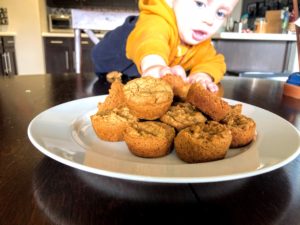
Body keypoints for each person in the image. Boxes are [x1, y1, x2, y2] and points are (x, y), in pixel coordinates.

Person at [92, 0, 239, 92]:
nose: (209, 20)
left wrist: (202, 75)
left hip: (133, 78)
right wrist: (154, 65)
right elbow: (151, 40)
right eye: (200, 3)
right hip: (111, 64)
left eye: (220, 13)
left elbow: (214, 60)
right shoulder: (158, 20)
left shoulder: (201, 42)